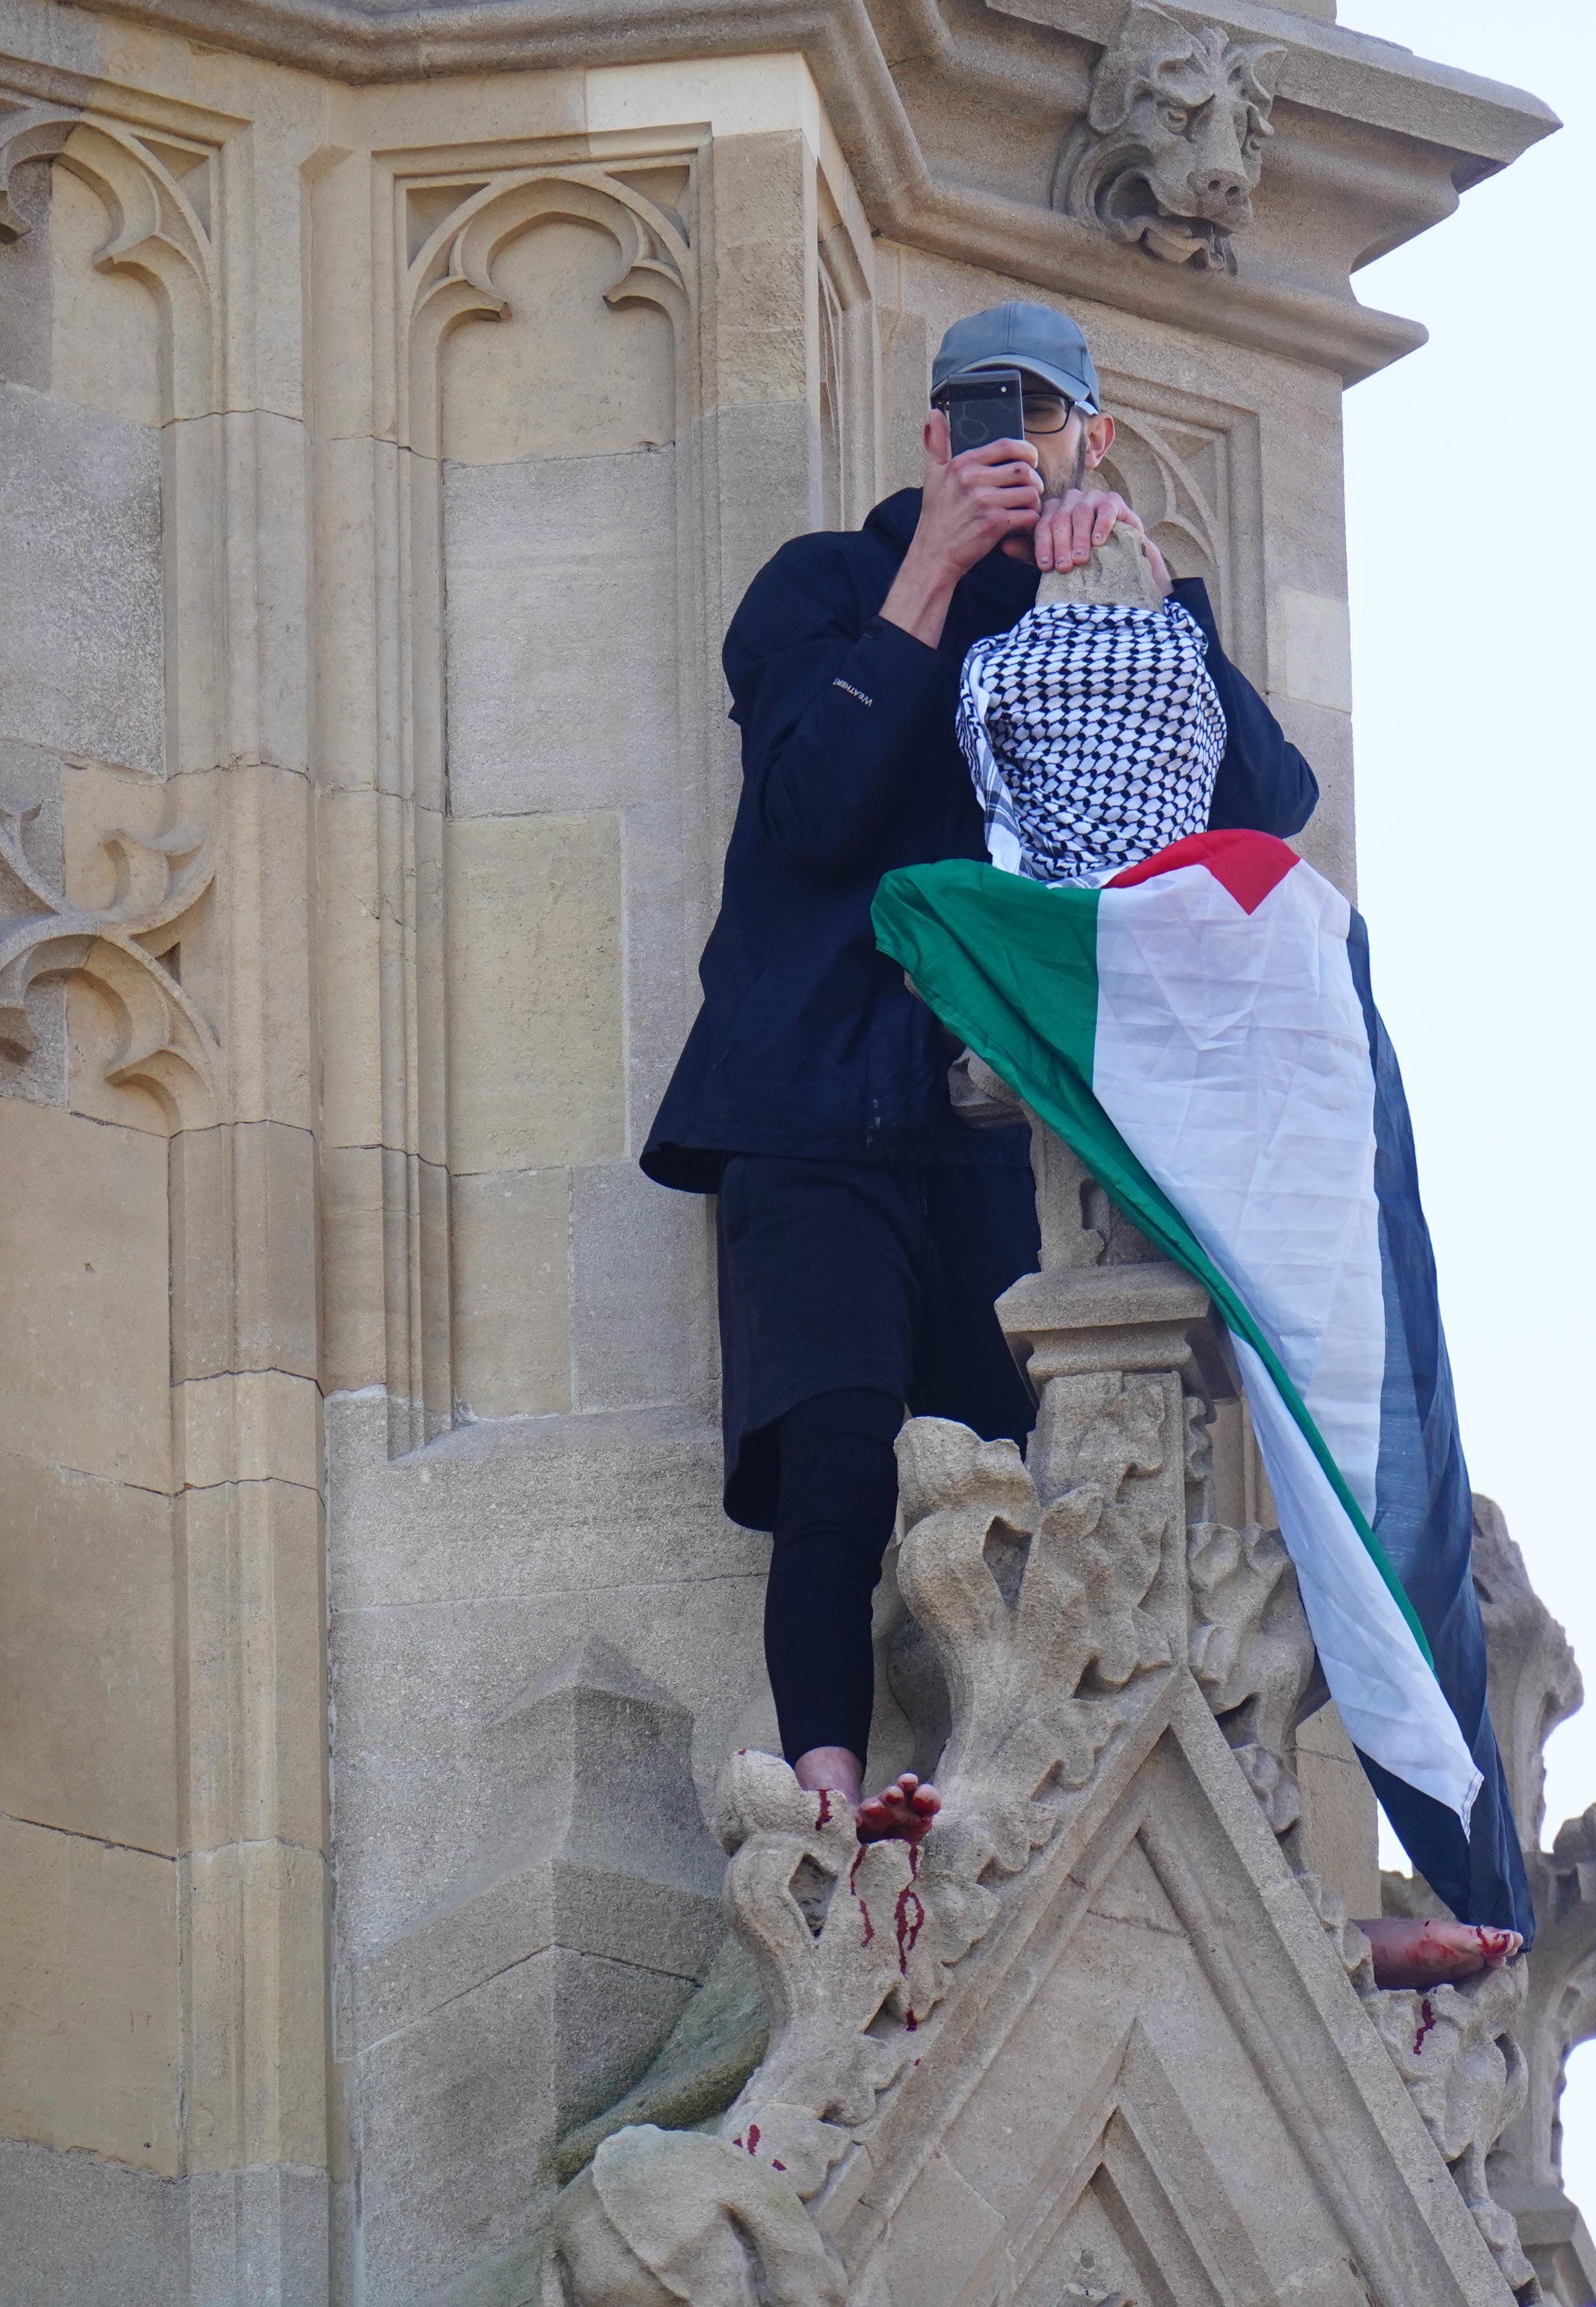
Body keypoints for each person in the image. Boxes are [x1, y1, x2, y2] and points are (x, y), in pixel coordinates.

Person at [641, 303, 1315, 1844]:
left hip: (1013, 1128)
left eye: (1043, 417)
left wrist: (1132, 596)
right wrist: (932, 573)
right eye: (972, 417)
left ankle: (1039, 1788)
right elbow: (815, 809)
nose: (1008, 441)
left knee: (1031, 1475)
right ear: (931, 438)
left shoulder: (1120, 604)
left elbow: (1266, 811)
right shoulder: (829, 584)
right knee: (836, 1449)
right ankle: (821, 1790)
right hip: (812, 1103)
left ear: (1100, 436)